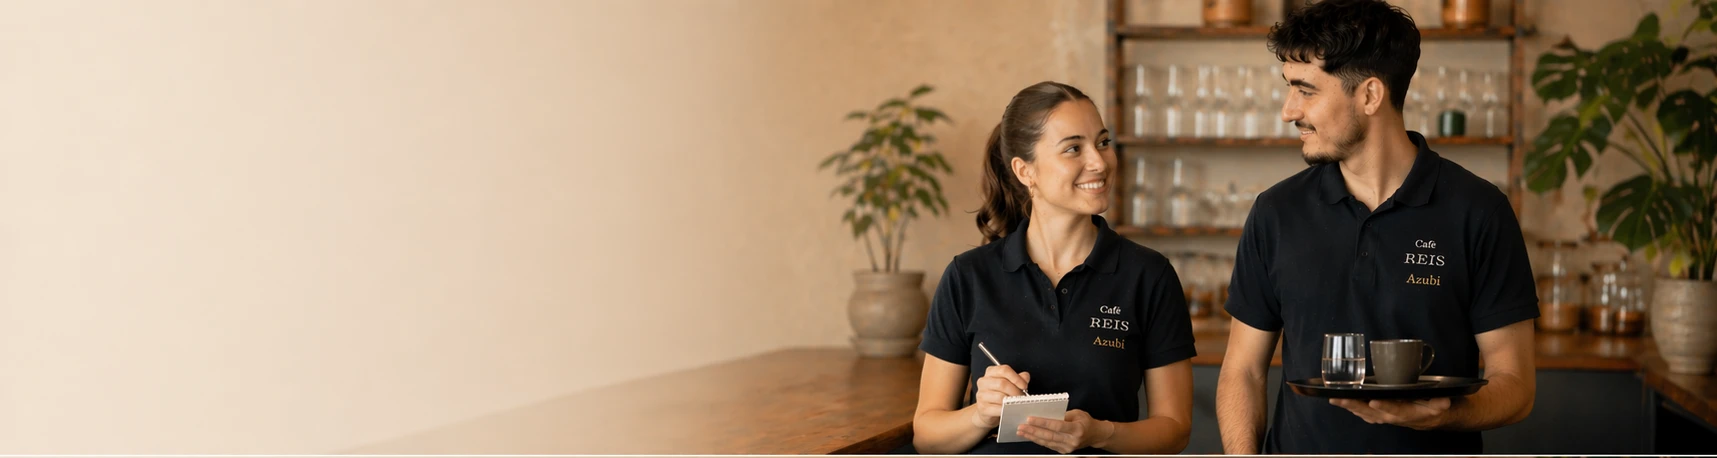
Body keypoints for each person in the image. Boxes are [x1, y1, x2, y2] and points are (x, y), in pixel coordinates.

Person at [1213, 0, 1539, 454]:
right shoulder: (1275, 212)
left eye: (1306, 90)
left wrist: (1446, 415)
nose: (1289, 111)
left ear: (1369, 95)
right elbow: (1242, 371)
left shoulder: (1479, 211)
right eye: (1288, 89)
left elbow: (1517, 384)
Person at [909, 81, 1195, 455]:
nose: (1099, 161)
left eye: (1103, 142)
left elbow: (1174, 431)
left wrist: (1099, 433)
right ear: (1025, 171)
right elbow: (926, 436)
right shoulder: (968, 277)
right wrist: (980, 414)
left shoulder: (1149, 275)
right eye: (1073, 148)